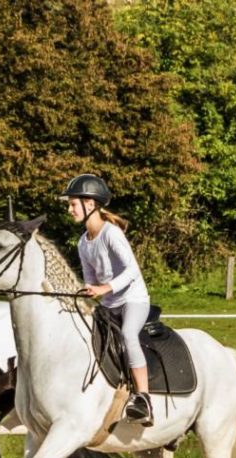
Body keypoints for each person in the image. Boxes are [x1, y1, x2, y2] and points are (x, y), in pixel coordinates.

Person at [61, 174, 153, 426]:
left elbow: (133, 270)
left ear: (90, 204)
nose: (69, 209)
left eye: (72, 204)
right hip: (109, 304)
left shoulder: (111, 234)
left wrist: (105, 288)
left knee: (128, 335)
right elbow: (91, 280)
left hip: (133, 300)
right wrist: (86, 291)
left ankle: (144, 398)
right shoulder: (83, 243)